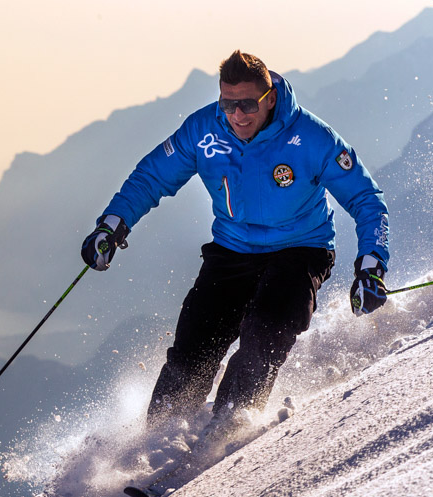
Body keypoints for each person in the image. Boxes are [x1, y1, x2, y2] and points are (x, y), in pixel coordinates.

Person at [81, 50, 390, 438]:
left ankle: (223, 434)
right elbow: (151, 177)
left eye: (246, 104)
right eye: (228, 103)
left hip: (300, 250)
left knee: (264, 334)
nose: (236, 115)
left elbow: (366, 200)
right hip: (231, 251)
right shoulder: (204, 129)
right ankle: (155, 446)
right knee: (193, 351)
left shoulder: (312, 138)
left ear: (270, 98)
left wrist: (372, 265)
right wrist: (112, 225)